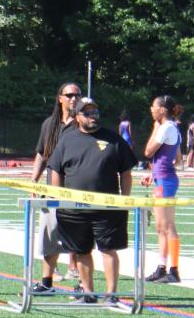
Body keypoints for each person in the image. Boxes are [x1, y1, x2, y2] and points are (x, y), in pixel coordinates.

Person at [46, 98, 136, 305]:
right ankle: (88, 293)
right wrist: (58, 197)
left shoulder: (113, 139)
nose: (93, 116)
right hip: (74, 209)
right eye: (87, 113)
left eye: (95, 112)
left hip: (107, 208)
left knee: (108, 249)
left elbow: (126, 171)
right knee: (81, 251)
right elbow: (56, 170)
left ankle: (111, 294)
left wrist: (124, 199)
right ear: (77, 117)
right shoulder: (67, 140)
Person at [30, 81, 82, 293]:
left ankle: (82, 283)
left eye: (77, 95)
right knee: (49, 236)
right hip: (52, 190)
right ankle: (46, 282)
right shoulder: (49, 124)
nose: (74, 99)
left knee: (79, 238)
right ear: (60, 98)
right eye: (69, 95)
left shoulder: (83, 123)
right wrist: (34, 180)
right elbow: (42, 153)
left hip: (76, 188)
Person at [144, 94, 182, 283]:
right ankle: (162, 267)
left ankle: (173, 270)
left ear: (162, 109)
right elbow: (178, 159)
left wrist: (154, 129)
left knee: (167, 226)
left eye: (154, 106)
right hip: (163, 179)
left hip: (166, 181)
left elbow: (148, 151)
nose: (151, 109)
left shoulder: (165, 127)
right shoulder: (172, 128)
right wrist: (154, 173)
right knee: (161, 226)